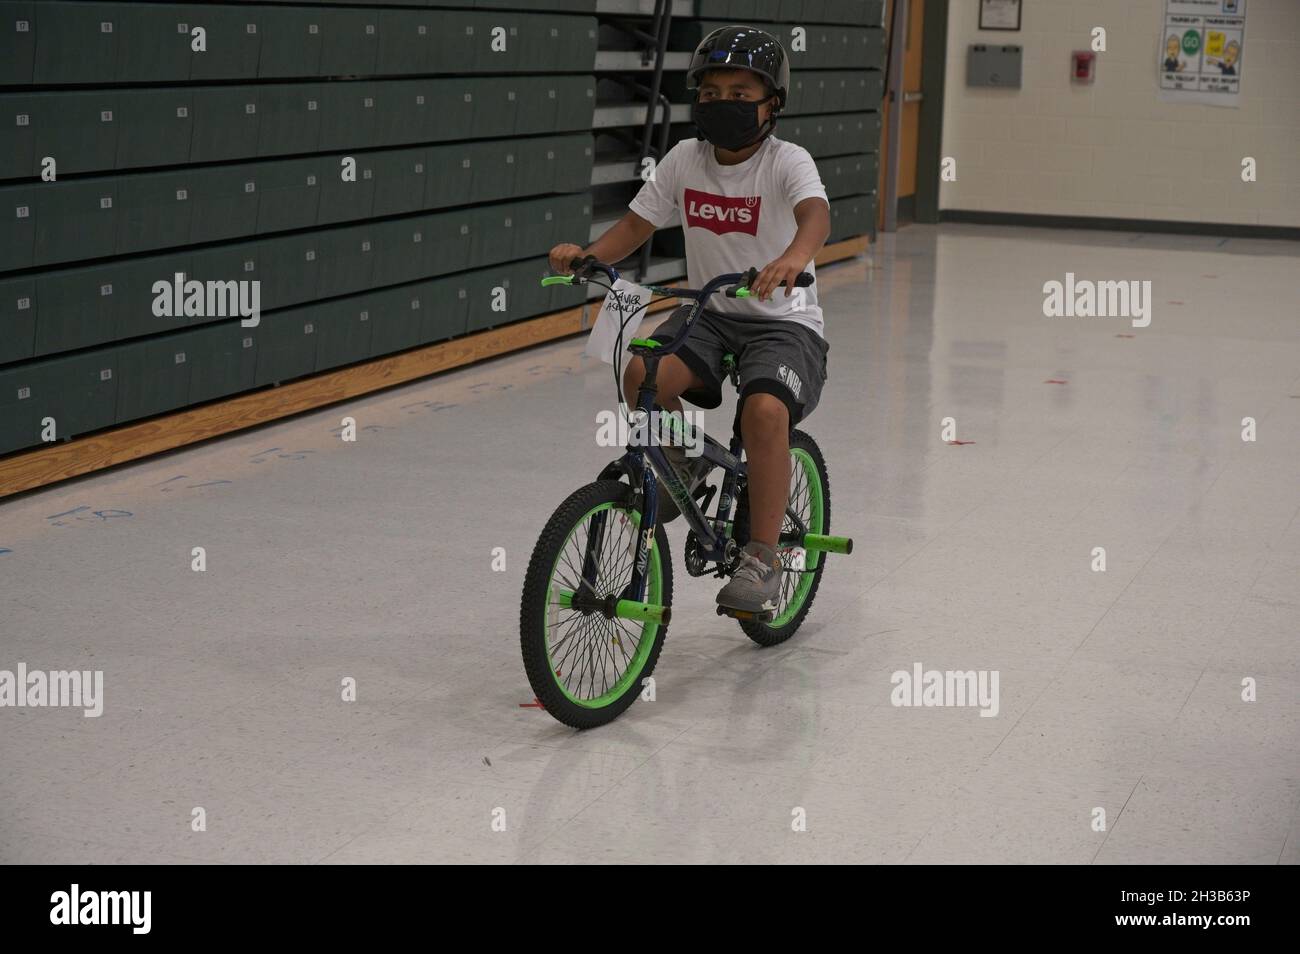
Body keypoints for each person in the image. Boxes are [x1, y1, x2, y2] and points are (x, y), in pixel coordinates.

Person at [548, 25, 832, 615]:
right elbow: (637, 224)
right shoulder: (684, 159)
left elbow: (815, 216)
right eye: (711, 92)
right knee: (641, 376)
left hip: (783, 320)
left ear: (771, 103)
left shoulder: (787, 161)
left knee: (763, 411)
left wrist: (793, 259)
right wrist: (591, 255)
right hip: (710, 310)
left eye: (739, 93)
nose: (722, 103)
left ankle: (762, 556)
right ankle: (683, 458)